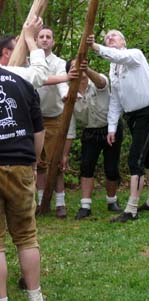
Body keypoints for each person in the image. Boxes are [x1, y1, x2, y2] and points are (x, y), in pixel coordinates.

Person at [87, 30, 149, 223]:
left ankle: (131, 209)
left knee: (135, 159)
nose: (110, 38)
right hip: (132, 116)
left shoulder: (134, 55)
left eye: (114, 36)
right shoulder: (113, 69)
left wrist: (96, 47)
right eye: (106, 38)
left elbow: (118, 56)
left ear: (124, 41)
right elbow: (115, 100)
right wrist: (111, 127)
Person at [0, 30, 45, 301]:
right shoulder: (22, 78)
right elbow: (38, 132)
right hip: (21, 161)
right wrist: (34, 162)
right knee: (27, 236)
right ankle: (35, 296)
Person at [65, 59, 123, 220]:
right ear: (69, 72)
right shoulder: (69, 94)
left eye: (81, 65)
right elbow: (69, 125)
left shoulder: (97, 79)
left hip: (110, 129)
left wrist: (87, 69)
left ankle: (112, 201)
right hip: (90, 132)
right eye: (74, 67)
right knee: (86, 166)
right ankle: (85, 206)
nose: (79, 69)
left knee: (111, 168)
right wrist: (65, 153)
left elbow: (102, 83)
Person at [35, 27, 70, 219]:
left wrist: (66, 95)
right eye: (41, 37)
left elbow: (62, 84)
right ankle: (41, 202)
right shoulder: (29, 61)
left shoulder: (59, 62)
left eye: (48, 36)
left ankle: (60, 203)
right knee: (38, 163)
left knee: (55, 163)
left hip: (54, 118)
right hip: (33, 120)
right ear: (36, 40)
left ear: (53, 41)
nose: (45, 40)